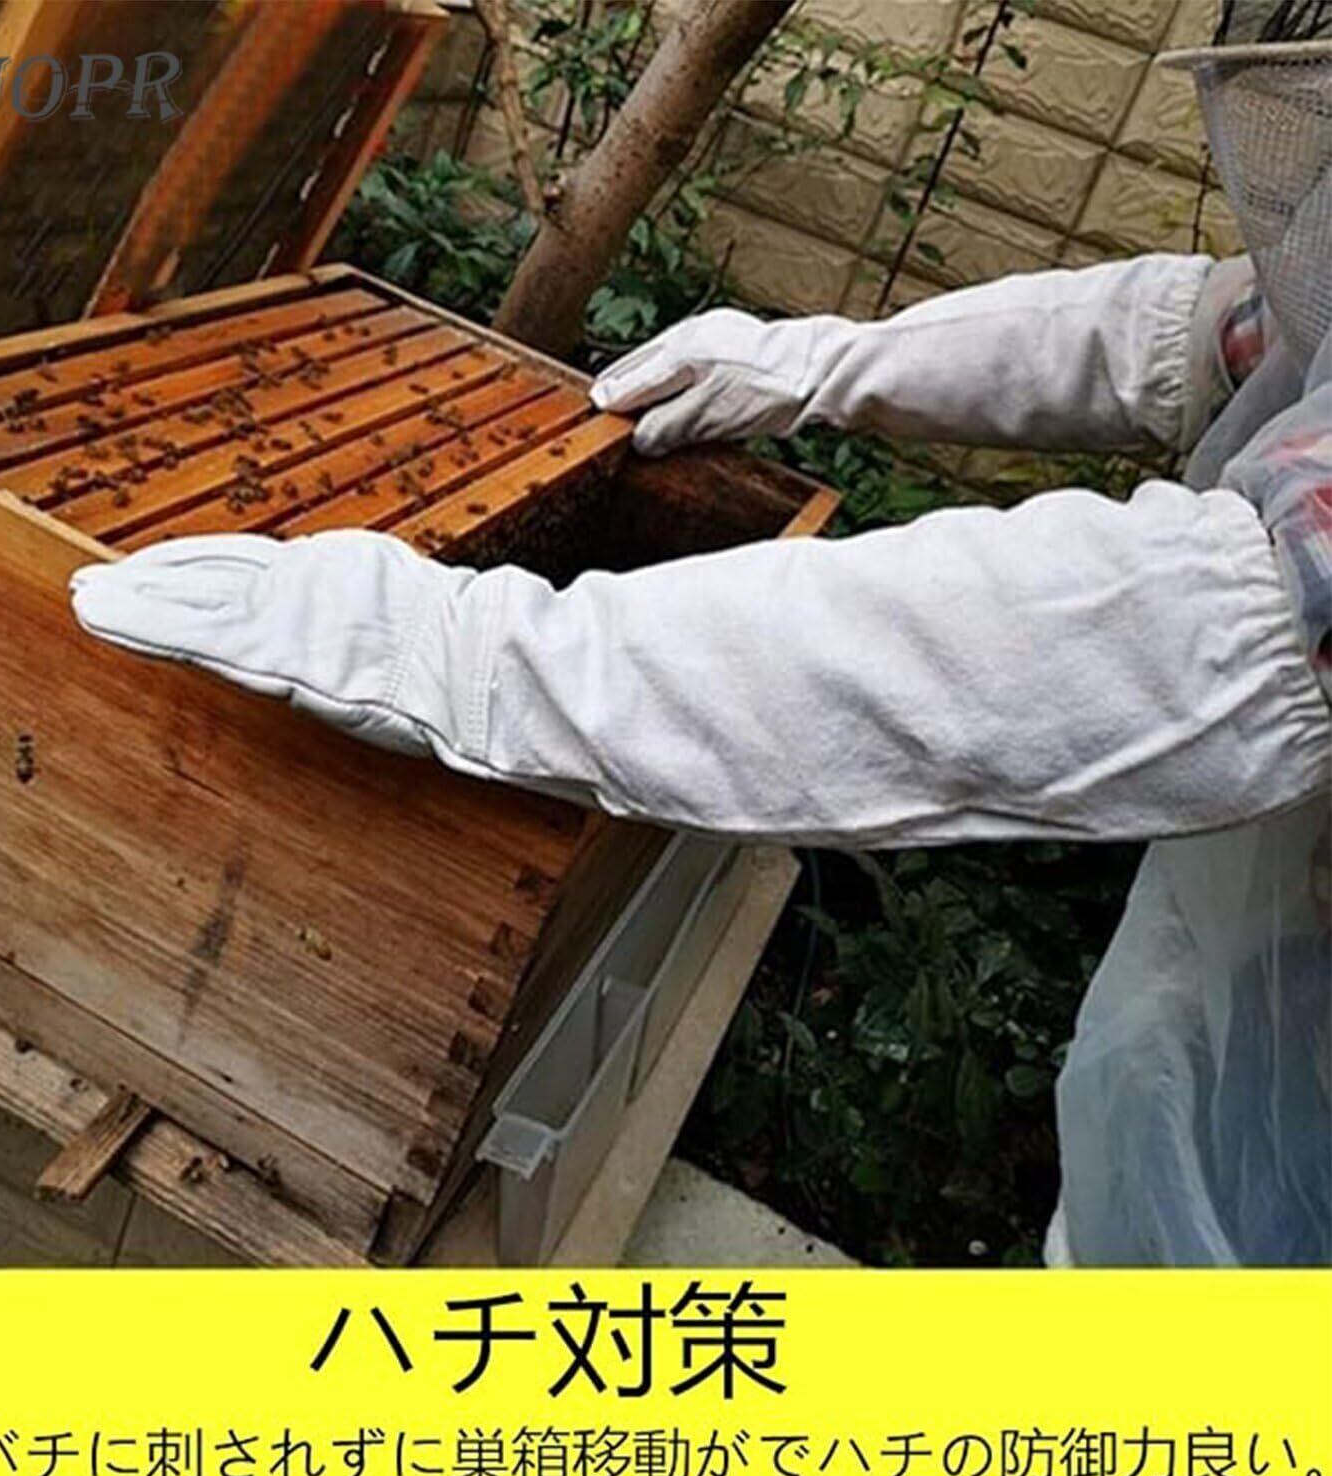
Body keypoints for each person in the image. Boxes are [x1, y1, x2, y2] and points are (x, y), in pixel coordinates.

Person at [71, 3, 1331, 1265]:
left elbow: (1202, 621)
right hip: (1235, 1014)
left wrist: (477, 660)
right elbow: (1225, 333)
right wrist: (828, 364)